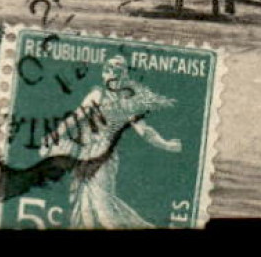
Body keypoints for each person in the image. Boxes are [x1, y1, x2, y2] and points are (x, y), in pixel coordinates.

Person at [38, 56, 181, 228]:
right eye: (108, 69)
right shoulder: (97, 95)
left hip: (105, 158)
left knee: (104, 208)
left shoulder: (127, 103)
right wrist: (54, 136)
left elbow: (144, 130)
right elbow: (74, 120)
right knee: (86, 208)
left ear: (124, 76)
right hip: (85, 154)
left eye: (117, 71)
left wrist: (166, 144)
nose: (111, 74)